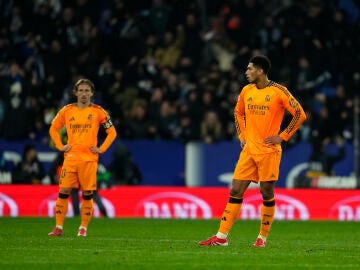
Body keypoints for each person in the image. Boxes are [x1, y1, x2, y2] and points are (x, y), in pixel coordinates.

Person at [199, 55, 306, 247]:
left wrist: (283, 136)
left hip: (268, 151)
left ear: (261, 71)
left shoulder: (279, 91)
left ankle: (262, 238)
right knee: (235, 190)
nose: (246, 72)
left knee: (266, 192)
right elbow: (238, 112)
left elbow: (300, 114)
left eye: (250, 69)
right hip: (249, 150)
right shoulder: (246, 90)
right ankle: (221, 237)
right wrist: (242, 136)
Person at [48, 78, 117, 237]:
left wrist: (101, 149)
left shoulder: (98, 111)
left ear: (92, 93)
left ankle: (83, 228)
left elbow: (112, 132)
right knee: (63, 191)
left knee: (87, 193)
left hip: (89, 159)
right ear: (75, 93)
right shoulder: (67, 110)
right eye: (81, 90)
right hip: (70, 158)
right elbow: (53, 129)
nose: (84, 94)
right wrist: (59, 145)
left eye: (87, 91)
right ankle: (58, 227)